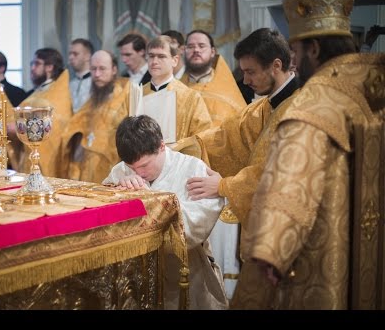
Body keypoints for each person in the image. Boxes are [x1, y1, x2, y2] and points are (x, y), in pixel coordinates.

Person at [240, 0, 385, 309]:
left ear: (314, 48)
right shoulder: (374, 94)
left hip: (322, 258)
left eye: (295, 50)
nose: (293, 61)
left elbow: (288, 193)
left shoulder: (310, 106)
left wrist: (269, 254)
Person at [185, 27, 300, 302]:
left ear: (276, 66)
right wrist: (174, 149)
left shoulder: (299, 109)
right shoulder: (265, 107)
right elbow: (226, 137)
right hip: (262, 230)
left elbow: (277, 171)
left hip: (287, 233)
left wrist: (223, 185)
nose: (244, 79)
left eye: (250, 72)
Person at [103, 115, 227, 310]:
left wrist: (146, 199)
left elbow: (194, 230)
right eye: (131, 167)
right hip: (135, 274)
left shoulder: (192, 168)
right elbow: (104, 214)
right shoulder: (121, 171)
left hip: (183, 272)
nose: (139, 173)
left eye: (144, 165)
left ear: (161, 146)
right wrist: (118, 192)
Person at [54, 50, 130, 182]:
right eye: (93, 69)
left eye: (102, 69)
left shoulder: (125, 97)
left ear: (114, 69)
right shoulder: (93, 100)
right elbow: (75, 128)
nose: (97, 74)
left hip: (113, 168)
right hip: (87, 167)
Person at [14, 48, 73, 174]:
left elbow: (56, 124)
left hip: (48, 156)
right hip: (30, 153)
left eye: (37, 63)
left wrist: (19, 128)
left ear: (49, 67)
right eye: (32, 64)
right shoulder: (41, 90)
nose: (32, 68)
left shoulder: (57, 93)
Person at [142, 35, 212, 140]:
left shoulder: (191, 97)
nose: (154, 61)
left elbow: (202, 137)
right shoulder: (137, 94)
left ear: (174, 60)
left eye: (161, 56)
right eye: (151, 56)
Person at [180, 30, 246, 126]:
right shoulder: (176, 89)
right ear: (184, 51)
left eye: (201, 46)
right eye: (190, 47)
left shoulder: (227, 90)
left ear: (212, 52)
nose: (196, 50)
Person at [68, 38, 94, 113]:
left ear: (88, 56)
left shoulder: (97, 83)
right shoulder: (69, 85)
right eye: (70, 54)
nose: (71, 57)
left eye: (75, 54)